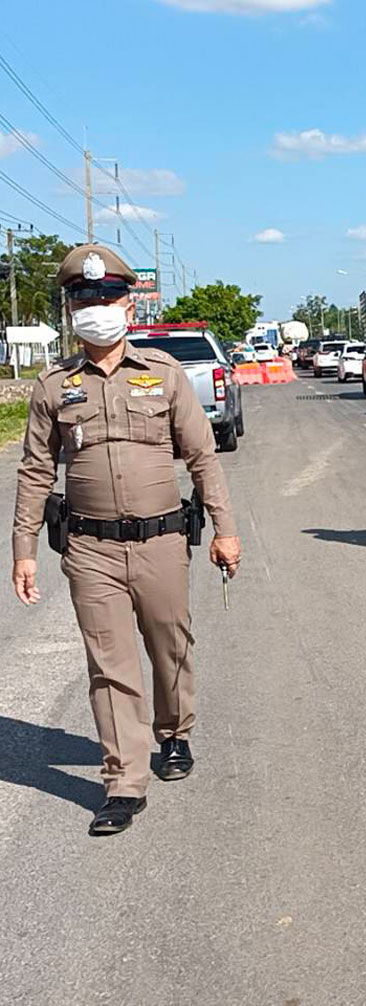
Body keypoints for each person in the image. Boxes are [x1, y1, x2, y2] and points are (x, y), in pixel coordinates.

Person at [10, 244, 240, 836]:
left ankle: (175, 732)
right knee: (109, 665)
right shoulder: (53, 385)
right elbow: (36, 469)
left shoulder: (161, 374)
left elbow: (202, 458)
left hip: (162, 541)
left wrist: (225, 531)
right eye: (84, 298)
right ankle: (123, 781)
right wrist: (25, 551)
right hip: (90, 550)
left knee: (169, 646)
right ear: (71, 308)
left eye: (107, 296)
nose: (96, 307)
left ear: (127, 304)